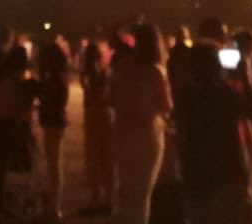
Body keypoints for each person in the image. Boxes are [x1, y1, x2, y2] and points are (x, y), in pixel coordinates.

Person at [176, 41, 252, 224]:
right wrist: (244, 76)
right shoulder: (225, 95)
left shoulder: (187, 96)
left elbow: (181, 133)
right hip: (226, 170)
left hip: (196, 171)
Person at [110, 23, 172, 224]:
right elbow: (165, 106)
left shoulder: (123, 67)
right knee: (142, 194)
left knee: (127, 191)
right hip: (147, 135)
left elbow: (112, 98)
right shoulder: (155, 72)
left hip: (123, 133)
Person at [0, 44, 39, 217]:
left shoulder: (1, 75)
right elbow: (22, 104)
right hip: (6, 121)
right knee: (2, 165)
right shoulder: (17, 77)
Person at [80, 40, 115, 216]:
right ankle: (110, 199)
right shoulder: (108, 71)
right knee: (107, 158)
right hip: (108, 113)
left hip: (93, 112)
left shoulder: (88, 72)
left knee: (93, 157)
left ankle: (96, 197)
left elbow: (87, 90)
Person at [38, 41, 72, 220]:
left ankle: (55, 206)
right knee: (53, 163)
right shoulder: (59, 77)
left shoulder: (55, 78)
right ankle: (53, 204)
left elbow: (47, 97)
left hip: (54, 122)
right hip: (53, 122)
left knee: (55, 165)